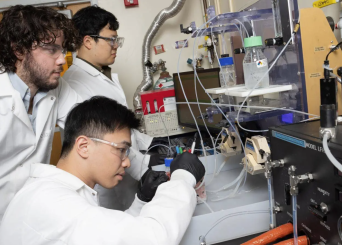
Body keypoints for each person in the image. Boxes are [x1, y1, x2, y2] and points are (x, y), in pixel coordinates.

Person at [0, 96, 206, 245]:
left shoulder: (54, 191)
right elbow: (152, 238)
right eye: (121, 150)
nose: (126, 162)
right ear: (83, 146)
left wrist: (141, 201)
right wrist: (183, 177)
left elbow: (107, 234)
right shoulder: (55, 204)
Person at [63, 5, 165, 210]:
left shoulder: (104, 75)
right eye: (110, 39)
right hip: (108, 183)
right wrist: (145, 165)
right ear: (88, 41)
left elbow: (121, 128)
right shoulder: (73, 84)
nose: (116, 45)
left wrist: (153, 142)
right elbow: (104, 138)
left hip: (124, 170)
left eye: (117, 39)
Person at [0, 5, 81, 224]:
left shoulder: (56, 87)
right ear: (19, 50)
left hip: (33, 214)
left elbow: (90, 123)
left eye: (62, 49)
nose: (62, 59)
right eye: (51, 49)